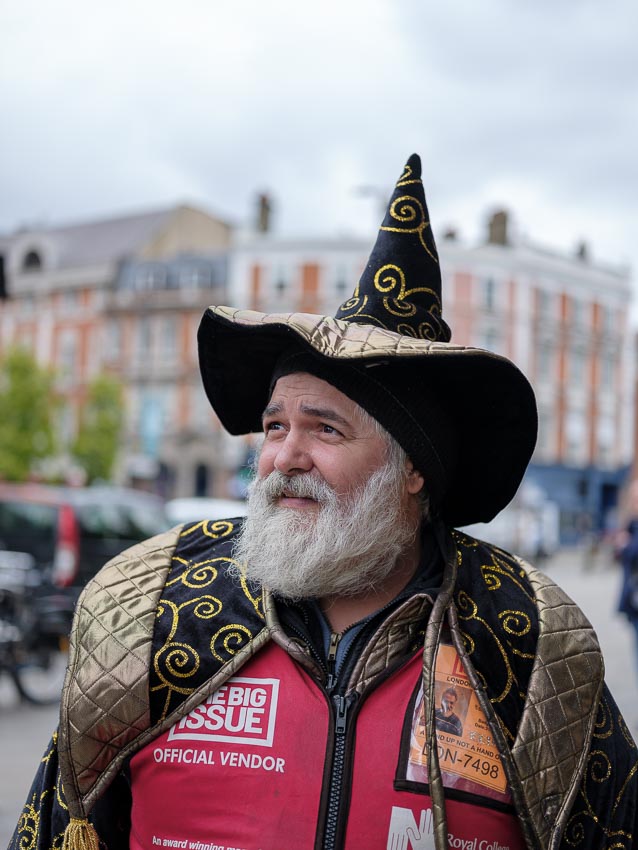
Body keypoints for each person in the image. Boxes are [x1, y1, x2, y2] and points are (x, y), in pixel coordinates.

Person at [10, 155, 637, 850]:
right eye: (276, 426)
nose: (284, 457)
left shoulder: (528, 639)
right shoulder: (150, 605)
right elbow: (58, 826)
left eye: (326, 429)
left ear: (412, 470)